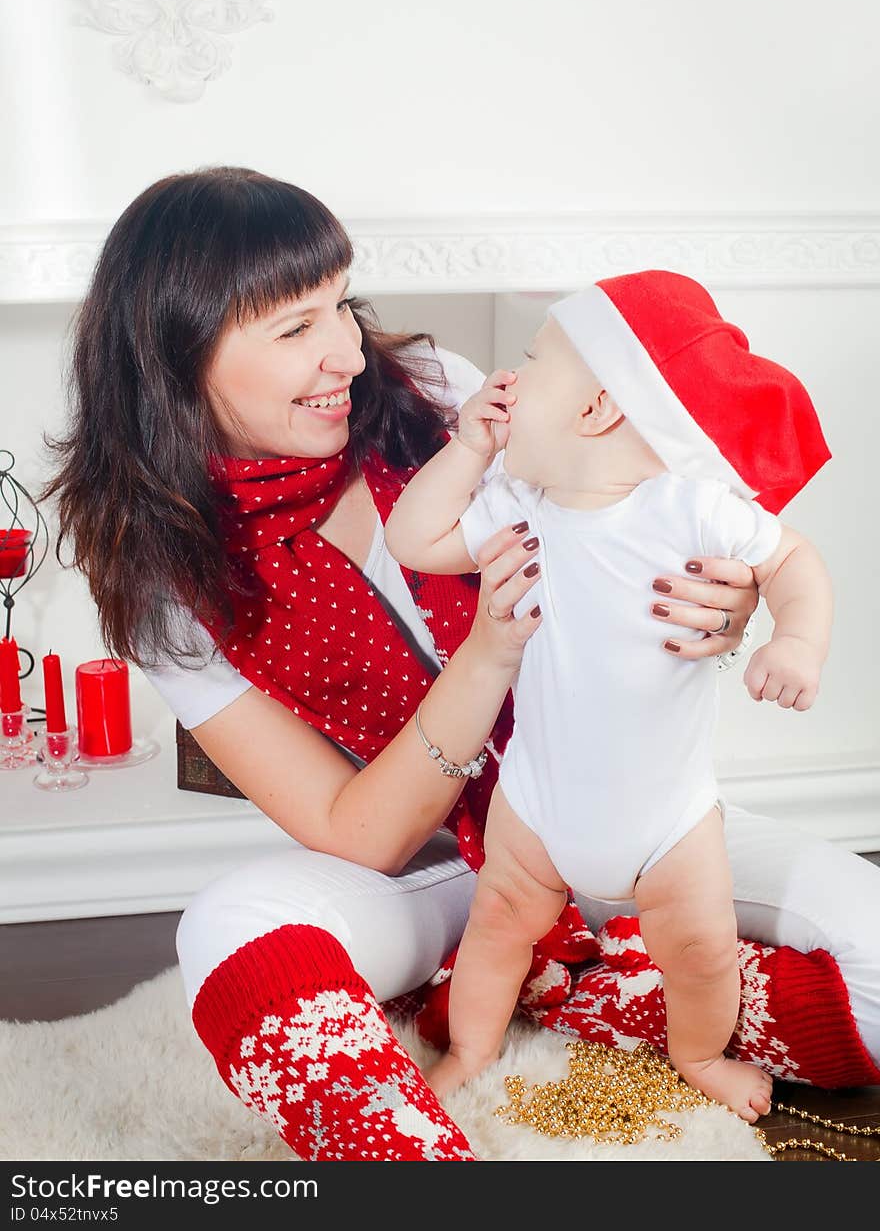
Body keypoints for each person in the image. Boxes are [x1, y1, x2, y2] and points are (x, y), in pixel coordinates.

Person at [40, 169, 880, 1163]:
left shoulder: (442, 393)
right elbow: (361, 835)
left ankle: (610, 992)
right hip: (450, 872)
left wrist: (729, 604)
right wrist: (484, 657)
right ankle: (416, 1153)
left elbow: (627, 521)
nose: (347, 352)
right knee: (230, 926)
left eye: (341, 306)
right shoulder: (165, 583)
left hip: (634, 810)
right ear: (178, 359)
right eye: (295, 327)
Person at [383, 271, 833, 1122]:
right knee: (496, 927)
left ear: (596, 411)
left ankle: (697, 1053)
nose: (505, 385)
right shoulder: (523, 505)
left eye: (531, 362)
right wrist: (470, 451)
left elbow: (795, 563)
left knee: (699, 952)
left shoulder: (691, 510)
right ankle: (474, 1047)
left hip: (669, 822)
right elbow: (417, 537)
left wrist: (796, 640)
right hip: (538, 806)